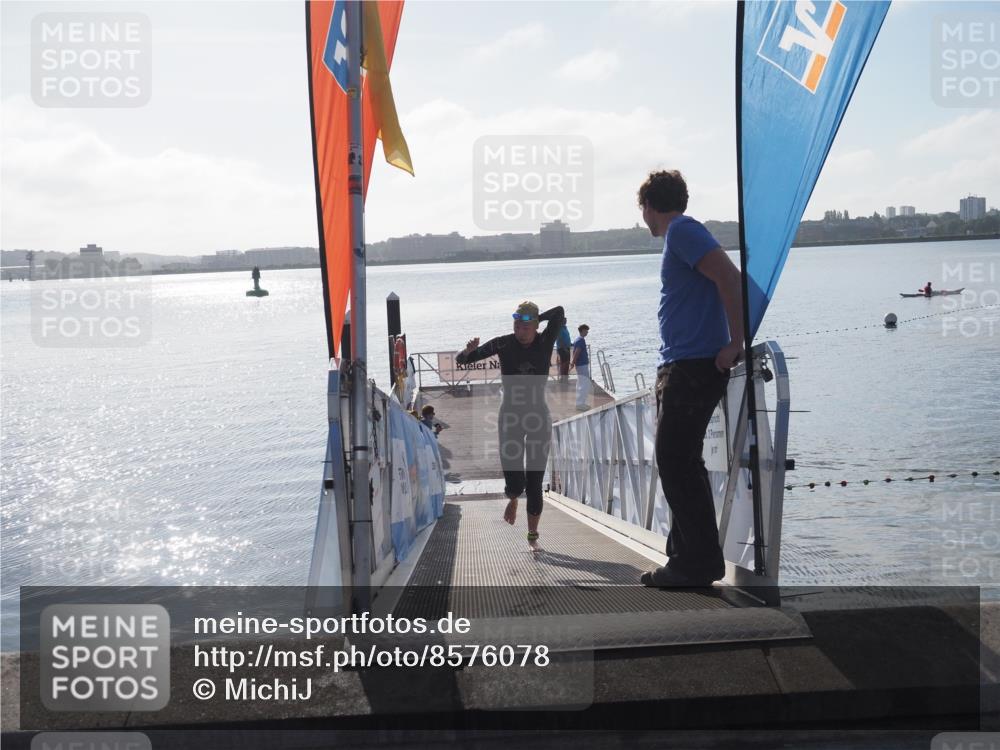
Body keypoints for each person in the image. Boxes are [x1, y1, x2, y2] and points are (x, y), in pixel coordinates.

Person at [637, 169, 745, 588]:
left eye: (642, 209)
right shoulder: (680, 234)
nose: (644, 217)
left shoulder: (682, 230)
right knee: (681, 461)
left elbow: (729, 277)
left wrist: (735, 342)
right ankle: (685, 556)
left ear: (649, 205)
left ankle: (696, 563)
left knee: (676, 460)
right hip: (683, 364)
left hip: (694, 365)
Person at [456, 300, 565, 544]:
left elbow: (559, 312)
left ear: (536, 326)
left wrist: (535, 317)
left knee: (535, 481)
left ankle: (533, 535)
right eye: (516, 325)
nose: (520, 331)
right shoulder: (503, 342)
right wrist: (467, 351)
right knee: (515, 482)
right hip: (510, 417)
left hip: (538, 417)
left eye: (526, 326)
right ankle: (514, 498)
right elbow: (462, 361)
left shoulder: (545, 340)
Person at [570, 324, 590, 410]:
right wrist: (573, 363)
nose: (587, 332)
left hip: (581, 365)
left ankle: (580, 403)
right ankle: (580, 404)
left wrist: (573, 363)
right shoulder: (580, 340)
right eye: (586, 330)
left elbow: (575, 352)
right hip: (582, 365)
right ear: (582, 330)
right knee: (584, 384)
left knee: (581, 383)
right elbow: (577, 352)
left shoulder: (578, 339)